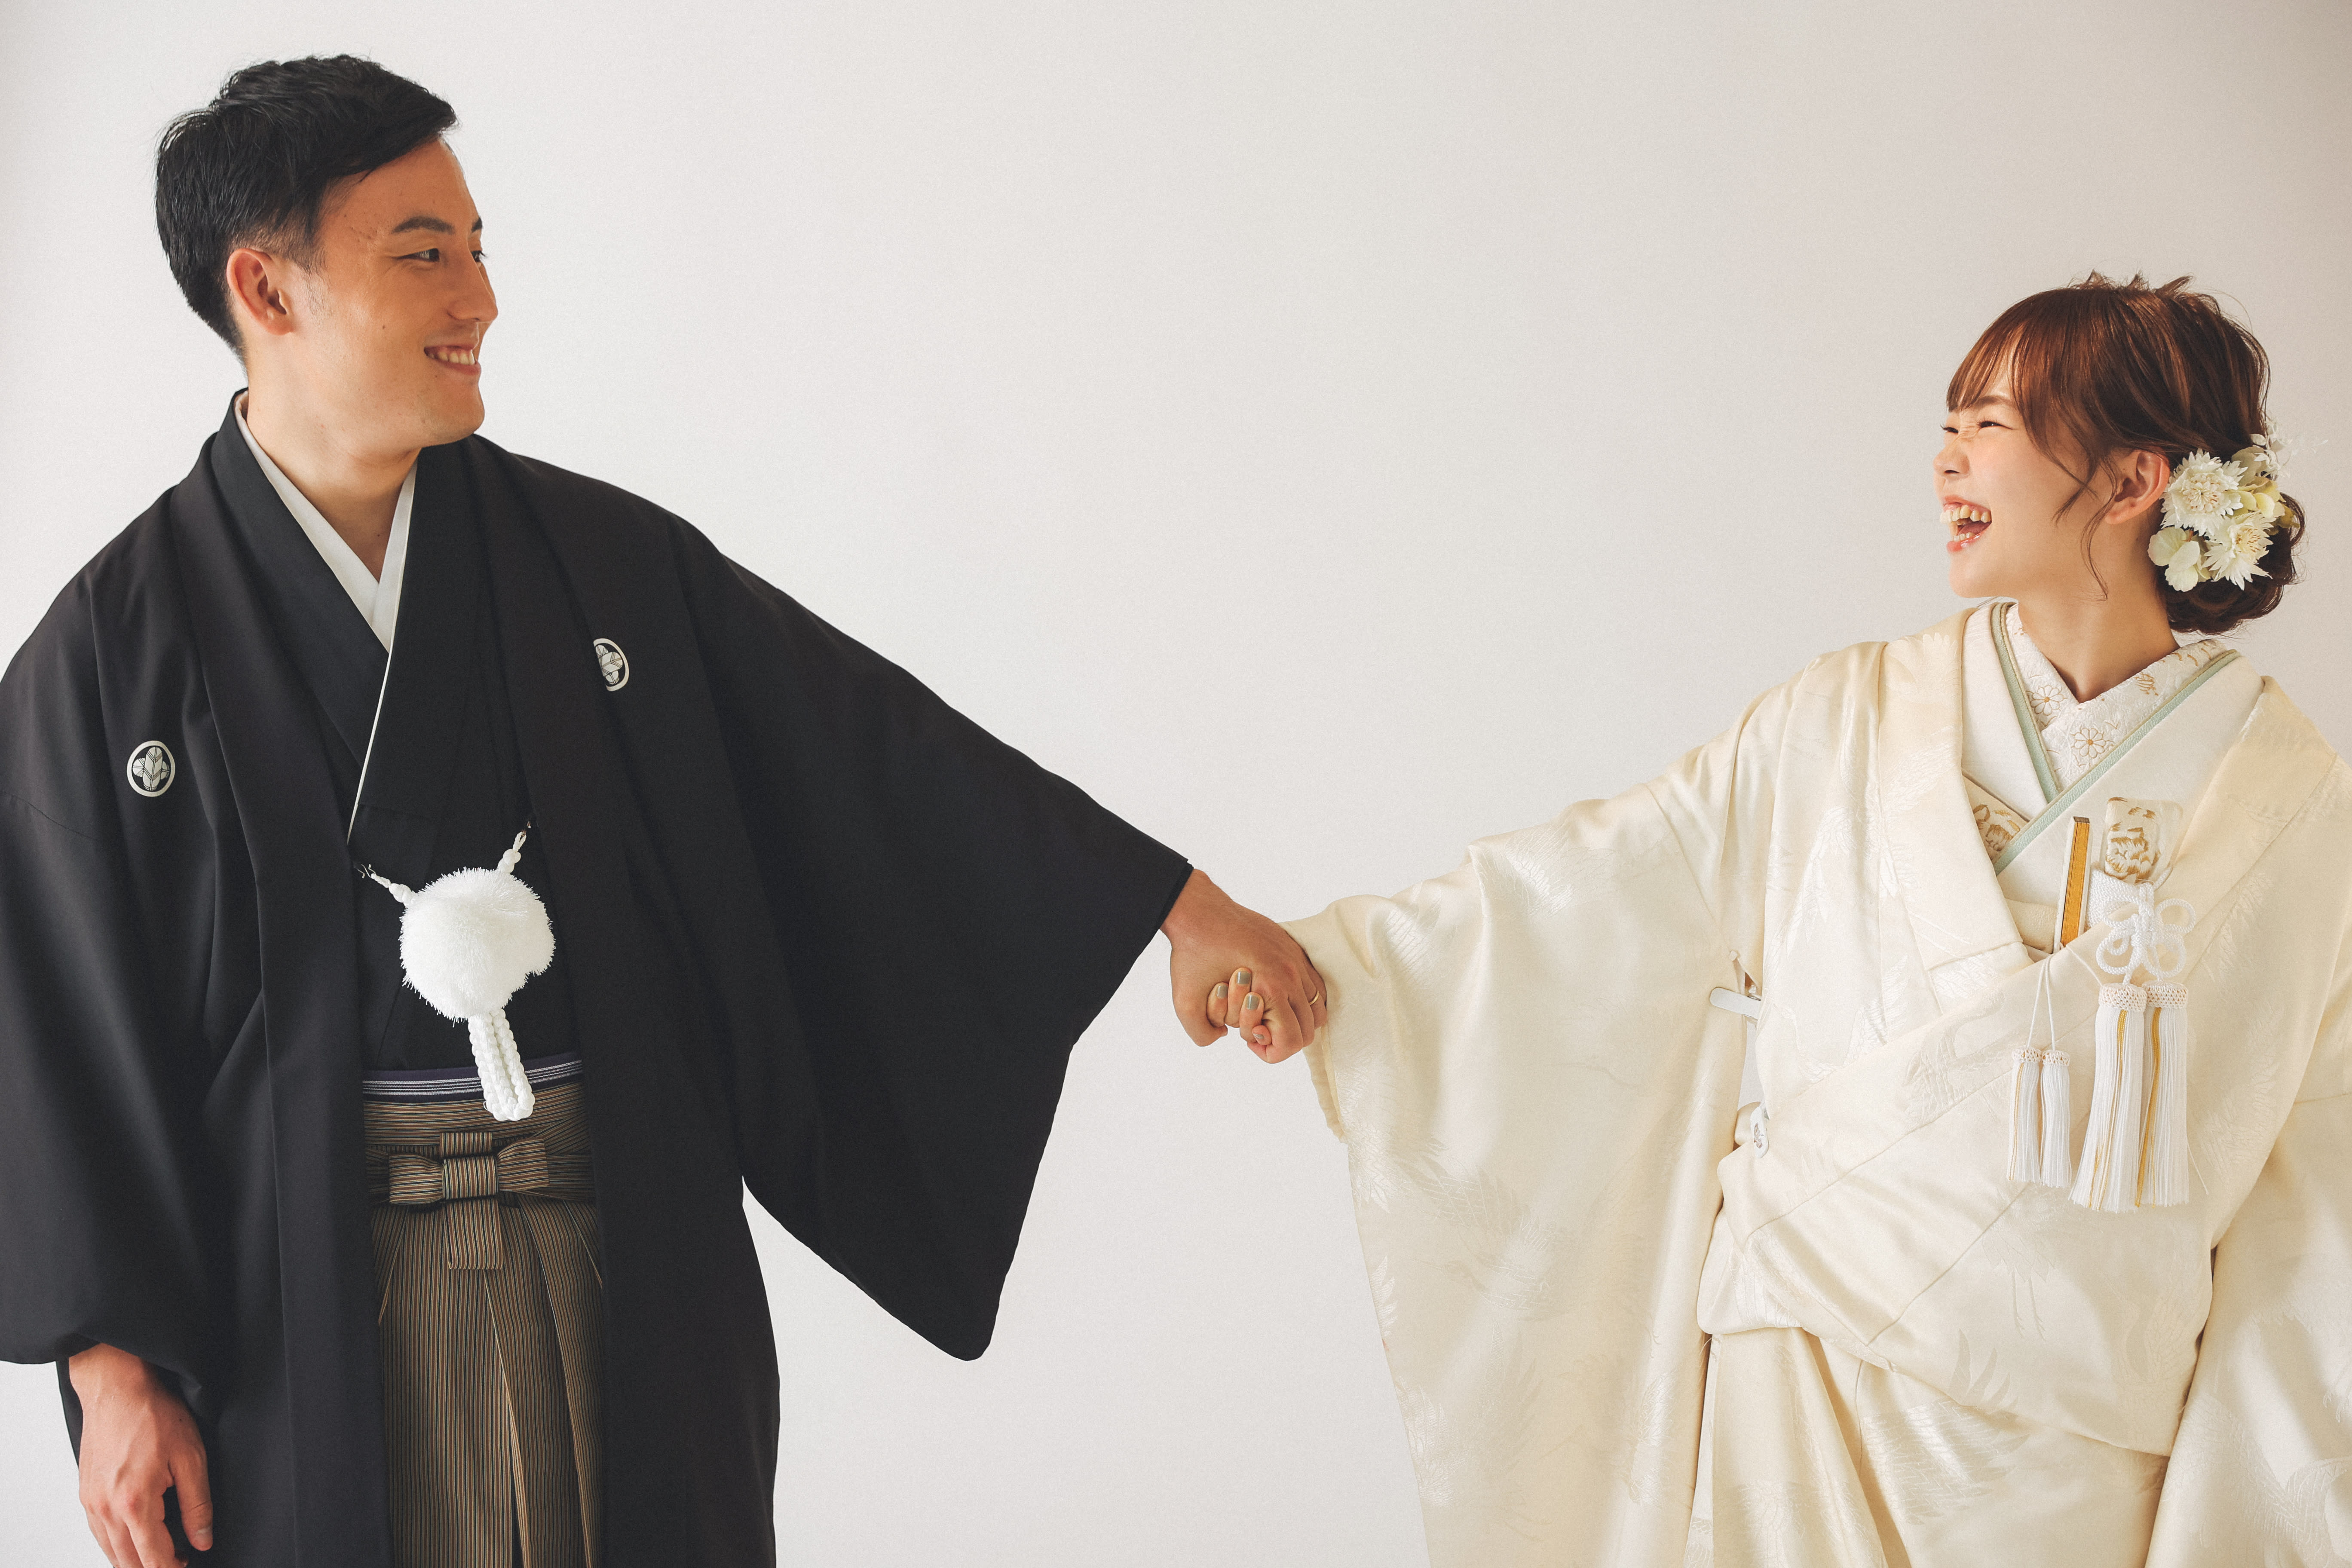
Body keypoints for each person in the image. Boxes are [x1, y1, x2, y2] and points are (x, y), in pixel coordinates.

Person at [0, 56, 1323, 1568]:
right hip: (292, 1311)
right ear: (266, 288)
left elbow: (866, 754)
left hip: (621, 1245)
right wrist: (108, 1374)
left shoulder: (600, 567)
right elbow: (44, 1030)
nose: (481, 300)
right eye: (425, 256)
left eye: (479, 250)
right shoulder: (109, 653)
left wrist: (1169, 908)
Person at [1228, 276, 2349, 1566]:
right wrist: (1328, 964)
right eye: (1949, 426)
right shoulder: (1844, 717)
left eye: (1990, 425)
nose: (1947, 460)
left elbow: (2316, 1181)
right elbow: (1599, 887)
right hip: (1801, 1362)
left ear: (2134, 479)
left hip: (2073, 1446)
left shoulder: (2289, 803)